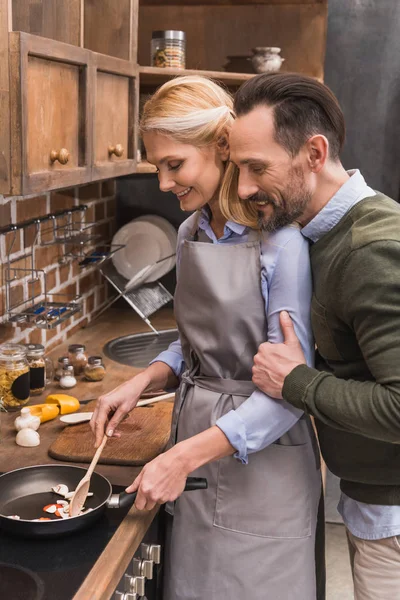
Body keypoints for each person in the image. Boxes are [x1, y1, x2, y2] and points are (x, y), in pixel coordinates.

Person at [91, 75, 323, 600]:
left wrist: (181, 458)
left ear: (222, 148)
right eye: (157, 167)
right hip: (192, 449)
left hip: (263, 461)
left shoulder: (280, 241)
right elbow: (194, 340)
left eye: (175, 164)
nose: (164, 182)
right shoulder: (189, 232)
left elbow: (292, 390)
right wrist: (144, 380)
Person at [228, 71, 400, 600]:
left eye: (258, 168)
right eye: (238, 169)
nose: (243, 188)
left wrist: (298, 382)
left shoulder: (368, 249)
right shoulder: (320, 236)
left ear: (314, 152)